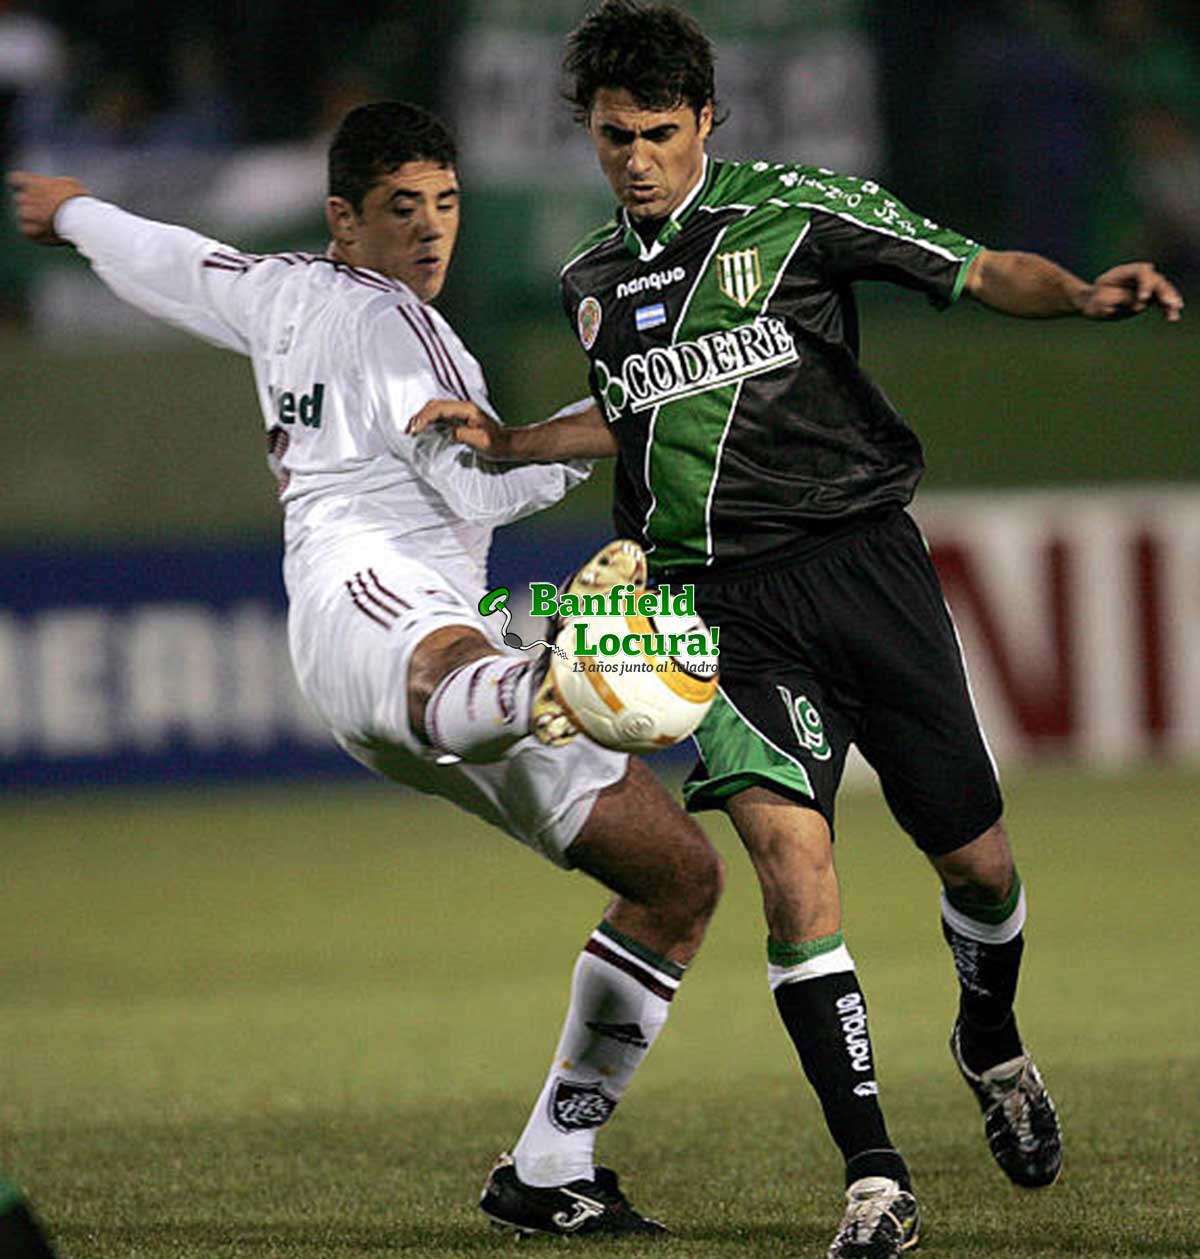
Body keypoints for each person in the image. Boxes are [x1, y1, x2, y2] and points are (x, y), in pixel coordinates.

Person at [408, 4, 1184, 1256]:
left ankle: (989, 1039)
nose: (639, 159)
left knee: (977, 863)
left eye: (661, 132)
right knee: (791, 867)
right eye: (614, 139)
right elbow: (635, 415)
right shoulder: (590, 280)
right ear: (590, 137)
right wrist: (510, 439)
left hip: (864, 566)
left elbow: (978, 269)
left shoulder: (799, 212)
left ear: (706, 119)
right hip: (720, 610)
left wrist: (1083, 292)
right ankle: (875, 1177)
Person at [8, 99, 726, 1239]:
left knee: (677, 876)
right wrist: (626, 421)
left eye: (445, 204)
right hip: (373, 598)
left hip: (410, 643)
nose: (431, 232)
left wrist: (76, 212)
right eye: (403, 209)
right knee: (466, 668)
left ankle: (551, 1160)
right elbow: (481, 482)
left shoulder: (278, 286)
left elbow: (174, 260)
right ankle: (543, 682)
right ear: (346, 219)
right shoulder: (401, 324)